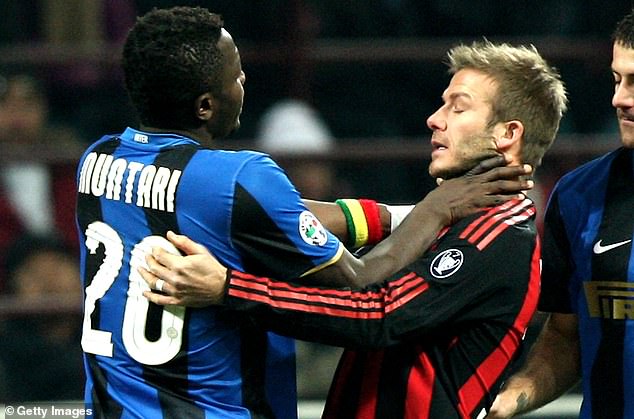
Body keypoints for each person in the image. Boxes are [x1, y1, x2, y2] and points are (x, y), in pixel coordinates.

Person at [75, 6, 531, 419]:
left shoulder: (95, 160)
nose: (244, 82)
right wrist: (433, 210)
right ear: (205, 106)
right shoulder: (241, 177)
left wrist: (401, 214)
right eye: (235, 76)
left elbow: (275, 215)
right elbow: (362, 281)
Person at [485, 9, 634, 419]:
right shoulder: (578, 195)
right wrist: (507, 402)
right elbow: (566, 338)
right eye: (617, 79)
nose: (619, 98)